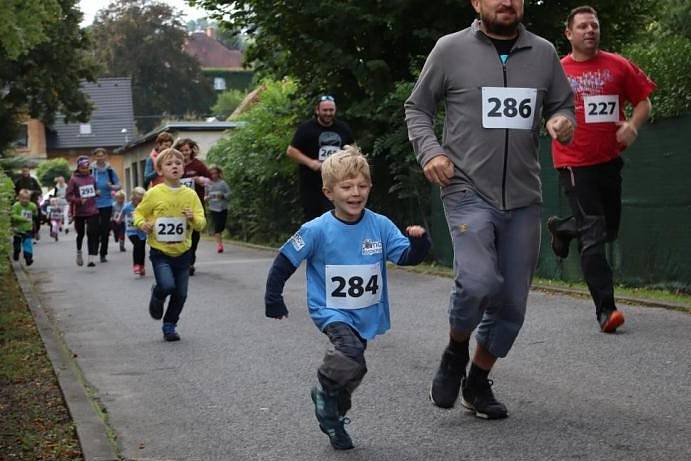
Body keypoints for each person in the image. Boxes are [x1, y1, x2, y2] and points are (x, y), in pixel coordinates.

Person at [404, 0, 575, 419]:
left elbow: (562, 105)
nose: (507, 1)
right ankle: (455, 352)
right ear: (476, 3)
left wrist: (561, 121)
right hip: (466, 188)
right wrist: (430, 152)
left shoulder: (544, 53)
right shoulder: (450, 49)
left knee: (512, 303)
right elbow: (417, 108)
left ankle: (477, 382)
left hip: (522, 196)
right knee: (478, 281)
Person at [264, 146, 431, 450]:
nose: (355, 193)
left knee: (356, 366)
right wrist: (273, 298)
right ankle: (325, 393)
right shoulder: (316, 230)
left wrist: (419, 244)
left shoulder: (379, 225)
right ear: (329, 192)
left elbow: (405, 256)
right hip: (331, 310)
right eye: (346, 187)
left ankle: (334, 414)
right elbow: (284, 261)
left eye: (362, 186)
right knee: (350, 351)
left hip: (366, 313)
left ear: (370, 187)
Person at [547, 5, 656, 334]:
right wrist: (554, 124)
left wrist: (633, 126)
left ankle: (564, 229)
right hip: (574, 162)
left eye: (594, 26)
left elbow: (644, 101)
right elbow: (544, 108)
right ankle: (606, 310)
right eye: (582, 27)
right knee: (594, 232)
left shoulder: (617, 65)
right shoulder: (557, 70)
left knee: (608, 230)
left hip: (609, 159)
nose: (589, 31)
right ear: (569, 33)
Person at [134, 148, 206, 341]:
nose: (174, 166)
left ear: (183, 168)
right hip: (161, 251)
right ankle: (157, 294)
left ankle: (169, 325)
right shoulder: (154, 194)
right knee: (166, 285)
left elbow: (201, 222)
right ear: (160, 170)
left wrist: (193, 218)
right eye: (169, 163)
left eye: (178, 163)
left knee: (181, 294)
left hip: (183, 252)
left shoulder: (190, 195)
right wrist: (143, 224)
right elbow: (138, 214)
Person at [287, 95, 354, 221]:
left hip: (335, 182)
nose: (328, 113)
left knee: (332, 216)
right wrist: (311, 163)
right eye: (325, 110)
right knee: (313, 218)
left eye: (331, 110)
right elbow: (291, 151)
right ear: (317, 110)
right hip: (311, 184)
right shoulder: (306, 128)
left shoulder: (343, 128)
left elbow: (352, 148)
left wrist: (346, 159)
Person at [174, 137, 211, 275]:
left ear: (191, 150)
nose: (185, 153)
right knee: (182, 233)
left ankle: (190, 261)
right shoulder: (175, 164)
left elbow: (210, 180)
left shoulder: (198, 165)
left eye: (187, 150)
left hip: (197, 204)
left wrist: (201, 180)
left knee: (195, 234)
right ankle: (182, 261)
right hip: (178, 205)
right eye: (182, 150)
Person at [66, 156, 99, 267]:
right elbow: (68, 196)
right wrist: (79, 201)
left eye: (87, 167)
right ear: (78, 167)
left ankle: (91, 258)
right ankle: (79, 252)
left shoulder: (92, 178)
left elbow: (95, 190)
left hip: (92, 210)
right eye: (83, 168)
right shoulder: (73, 179)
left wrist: (97, 193)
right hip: (80, 211)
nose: (85, 170)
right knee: (80, 234)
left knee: (92, 232)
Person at [91, 148, 121, 262]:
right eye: (98, 156)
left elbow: (119, 185)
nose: (100, 158)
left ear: (105, 157)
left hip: (107, 203)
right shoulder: (91, 170)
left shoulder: (110, 170)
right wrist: (94, 191)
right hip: (94, 203)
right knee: (94, 229)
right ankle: (94, 249)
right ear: (95, 157)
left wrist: (112, 187)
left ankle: (103, 253)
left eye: (102, 155)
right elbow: (85, 186)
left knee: (105, 229)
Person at [121, 187, 148, 276]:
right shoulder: (127, 206)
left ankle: (142, 266)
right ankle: (136, 265)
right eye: (136, 199)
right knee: (137, 245)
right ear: (132, 197)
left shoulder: (144, 207)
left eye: (140, 200)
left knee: (142, 249)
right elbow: (122, 213)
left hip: (142, 231)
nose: (138, 202)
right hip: (131, 231)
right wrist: (118, 219)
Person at [205, 166, 230, 253]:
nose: (213, 175)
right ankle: (219, 245)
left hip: (223, 207)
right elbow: (205, 195)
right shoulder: (208, 184)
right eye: (211, 173)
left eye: (215, 173)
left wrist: (223, 196)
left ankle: (218, 236)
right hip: (213, 208)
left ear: (218, 174)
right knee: (217, 226)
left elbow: (229, 194)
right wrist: (207, 198)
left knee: (222, 226)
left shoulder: (222, 183)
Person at [13, 166, 42, 240]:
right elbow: (14, 191)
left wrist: (32, 192)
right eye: (24, 171)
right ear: (21, 172)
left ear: (29, 171)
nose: (25, 173)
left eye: (27, 171)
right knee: (22, 217)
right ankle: (23, 232)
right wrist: (17, 196)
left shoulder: (33, 180)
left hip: (33, 201)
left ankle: (37, 231)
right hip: (22, 203)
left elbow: (39, 191)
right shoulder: (18, 181)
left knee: (37, 216)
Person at [11, 189, 38, 266]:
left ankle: (28, 258)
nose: (25, 201)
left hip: (27, 228)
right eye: (23, 198)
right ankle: (16, 253)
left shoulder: (32, 205)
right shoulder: (16, 206)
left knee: (27, 243)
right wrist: (23, 218)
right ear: (19, 198)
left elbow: (35, 212)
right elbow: (13, 215)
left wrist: (35, 213)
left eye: (27, 199)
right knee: (17, 246)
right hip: (17, 229)